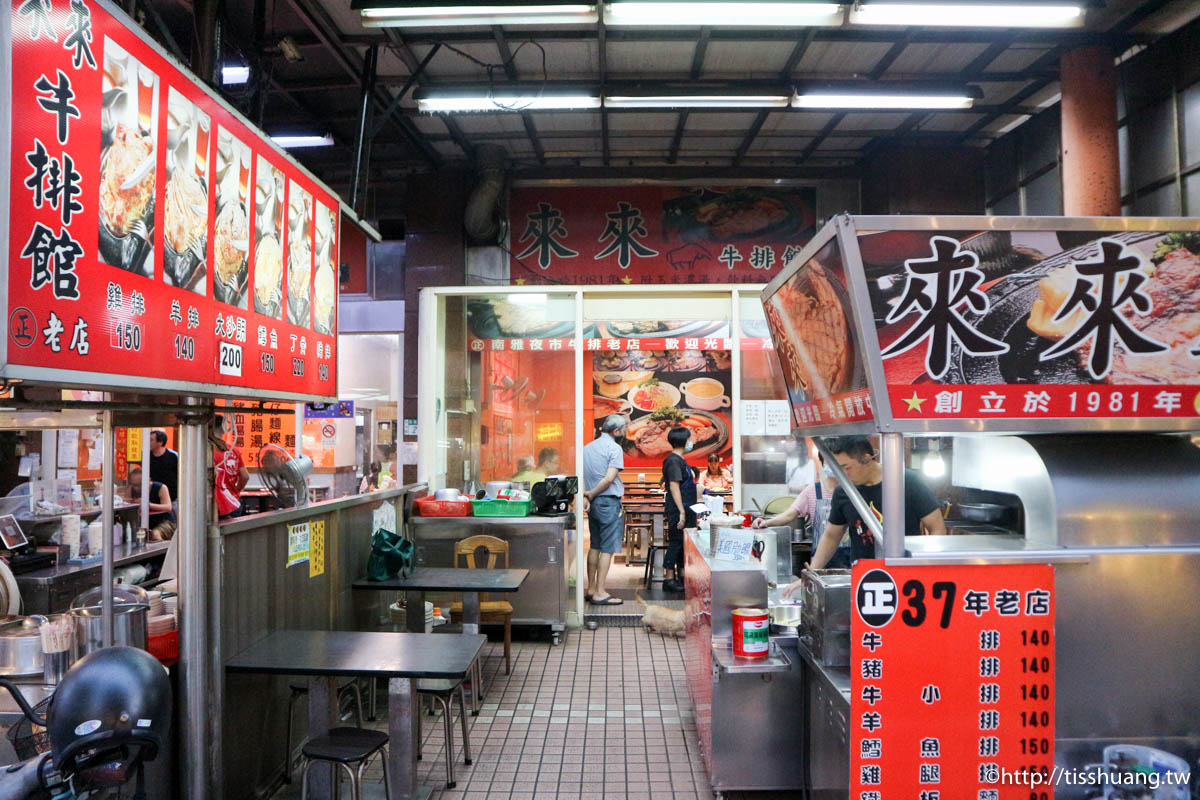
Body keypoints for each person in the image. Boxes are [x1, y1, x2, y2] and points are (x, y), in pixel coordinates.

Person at [782, 436, 945, 597]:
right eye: (837, 468)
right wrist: (811, 573)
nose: (842, 474)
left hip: (907, 579)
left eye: (846, 467)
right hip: (864, 579)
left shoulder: (907, 482)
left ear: (867, 459)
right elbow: (831, 536)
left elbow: (937, 528)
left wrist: (930, 570)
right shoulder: (843, 491)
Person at [582, 415, 627, 606]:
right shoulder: (614, 448)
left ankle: (591, 589)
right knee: (607, 549)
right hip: (608, 502)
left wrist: (587, 496)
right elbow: (609, 479)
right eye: (623, 428)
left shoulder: (587, 447)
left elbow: (582, 475)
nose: (625, 432)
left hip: (593, 504)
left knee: (595, 546)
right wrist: (591, 494)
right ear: (616, 431)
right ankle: (600, 592)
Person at [661, 427, 697, 592]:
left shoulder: (680, 459)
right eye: (689, 439)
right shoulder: (673, 460)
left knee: (683, 543)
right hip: (678, 508)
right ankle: (668, 579)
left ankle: (682, 575)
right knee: (676, 541)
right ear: (684, 441)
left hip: (687, 508)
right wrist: (681, 511)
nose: (691, 442)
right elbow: (674, 487)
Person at [213, 415, 250, 519]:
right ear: (224, 428)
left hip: (216, 505)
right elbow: (245, 476)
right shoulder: (233, 449)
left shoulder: (209, 450)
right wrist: (236, 491)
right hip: (234, 502)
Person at [127, 465, 175, 532]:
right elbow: (127, 503)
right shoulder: (131, 489)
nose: (136, 488)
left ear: (149, 480)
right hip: (144, 521)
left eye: (139, 485)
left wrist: (148, 505)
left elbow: (168, 507)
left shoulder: (160, 487)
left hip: (164, 521)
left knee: (156, 533)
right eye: (134, 485)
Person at [148, 430, 179, 515]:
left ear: (160, 442)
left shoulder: (173, 457)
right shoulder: (146, 457)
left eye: (151, 440)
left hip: (172, 498)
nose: (148, 442)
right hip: (153, 499)